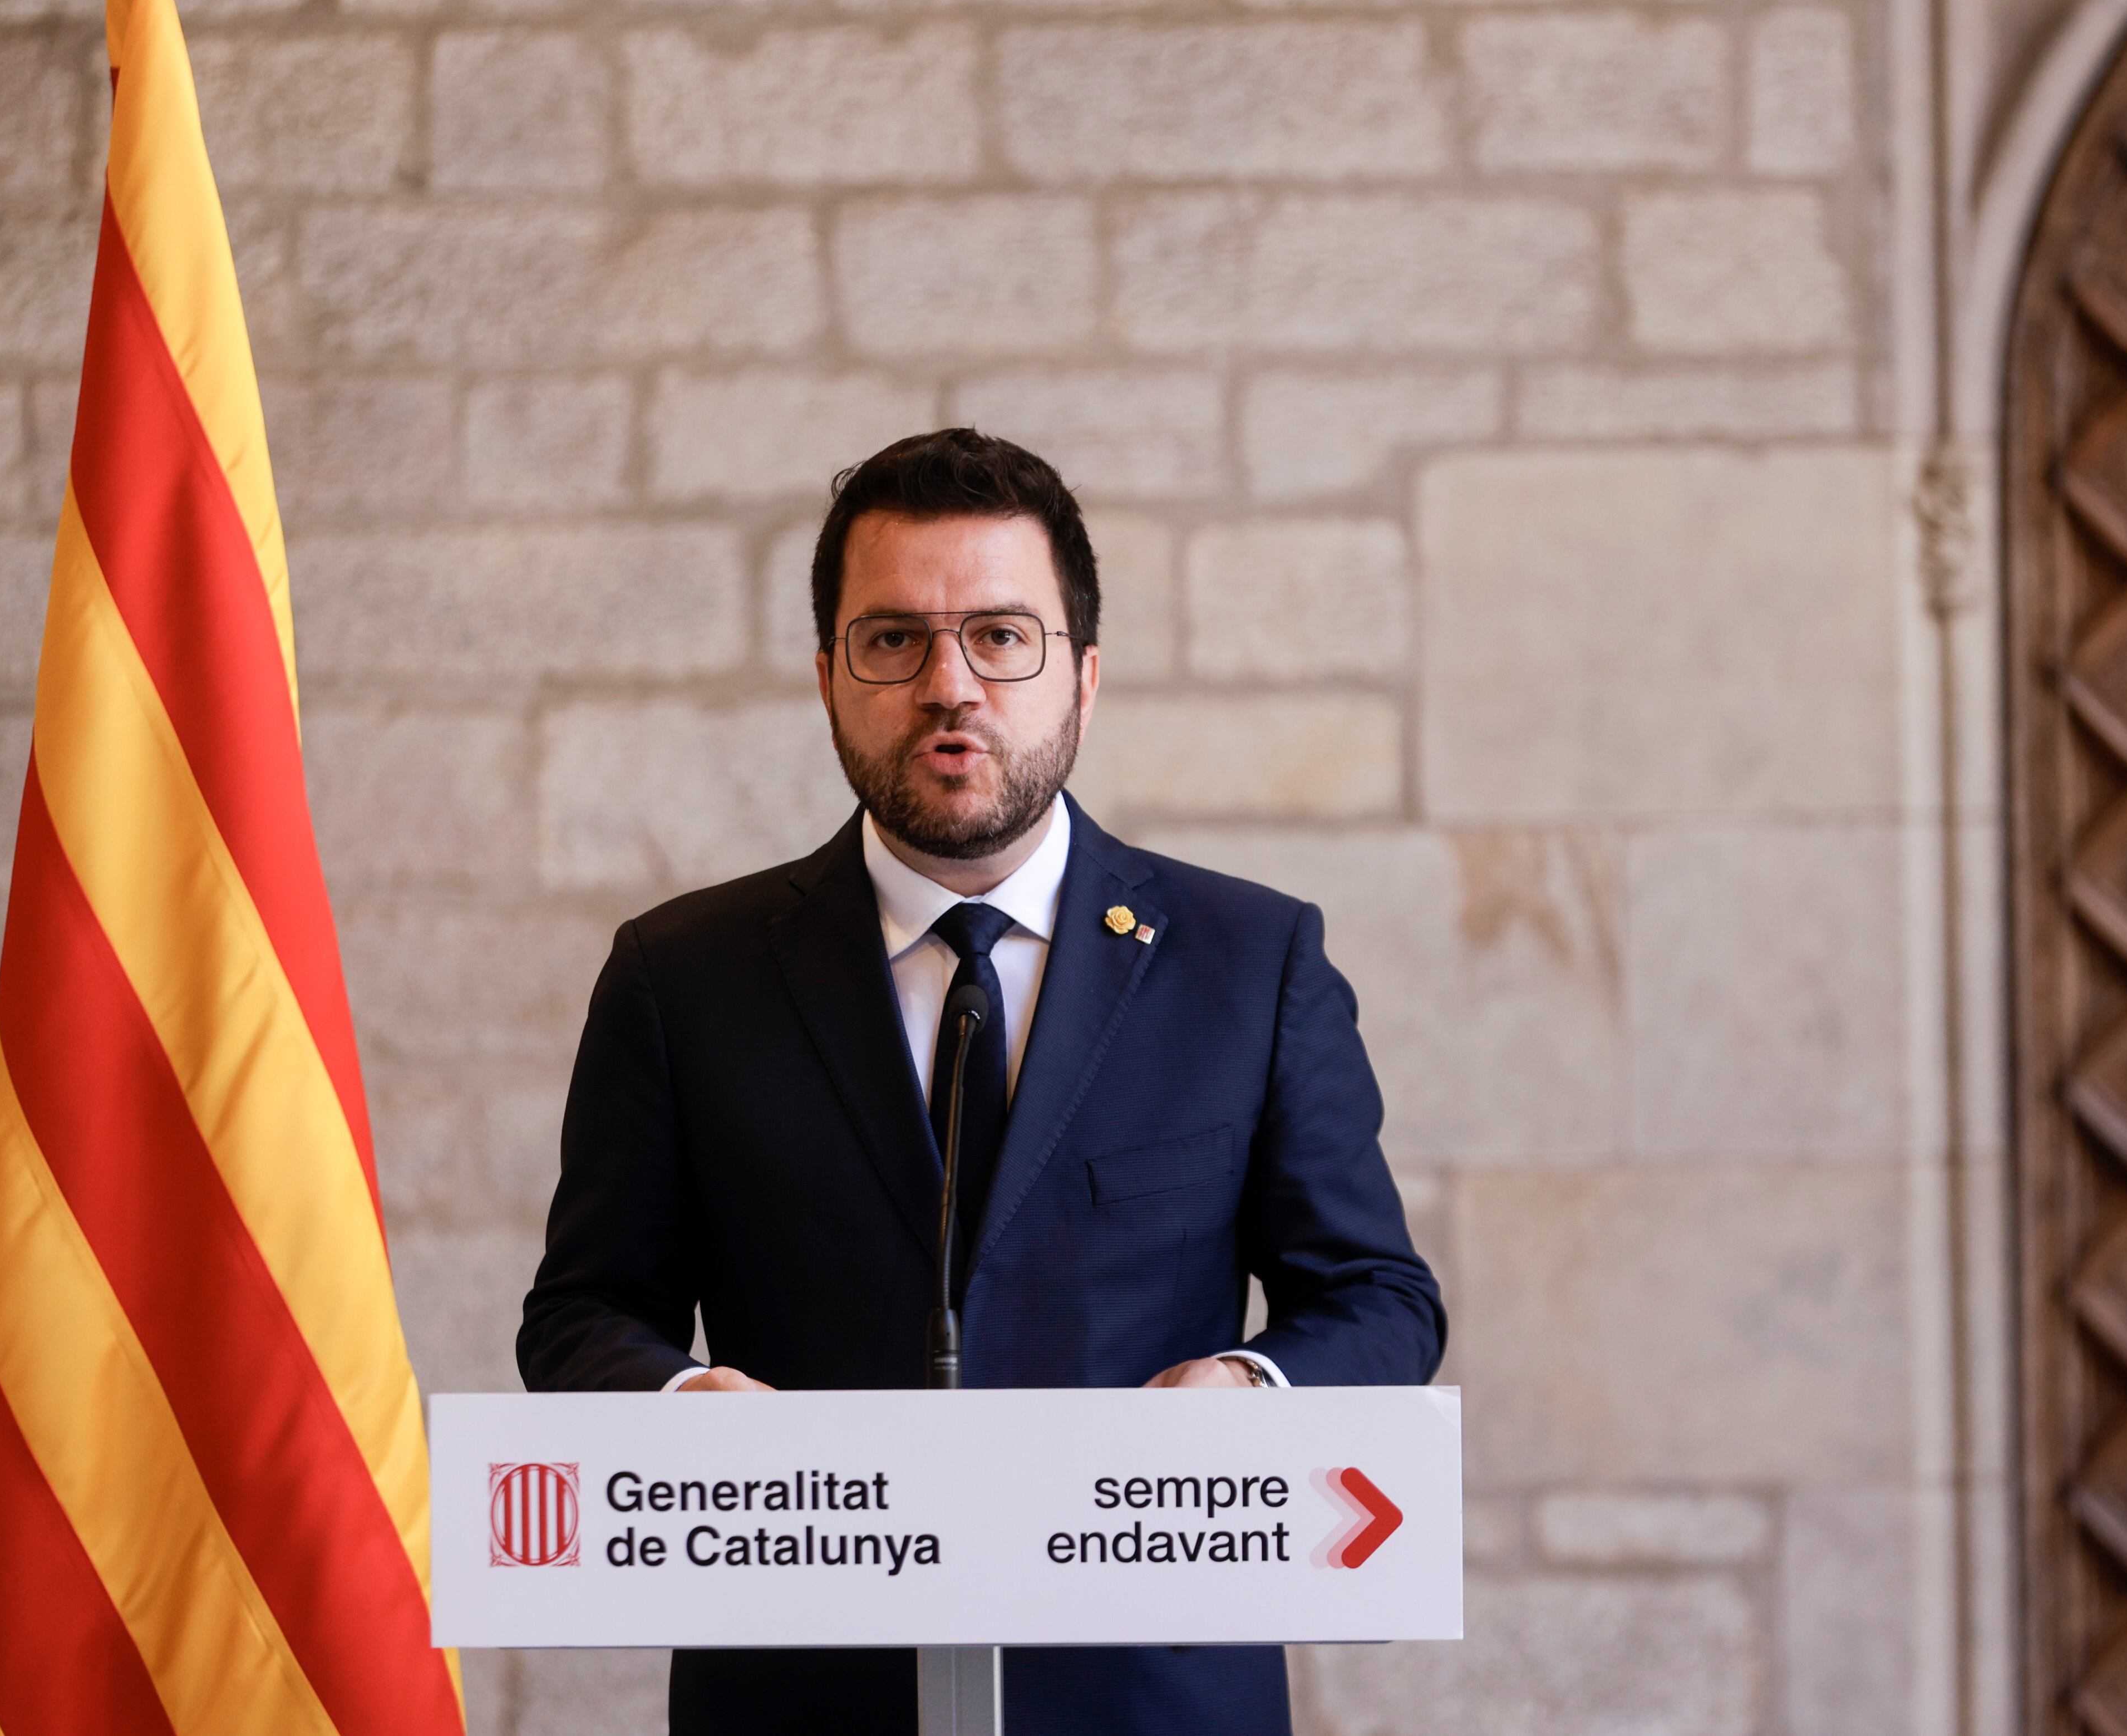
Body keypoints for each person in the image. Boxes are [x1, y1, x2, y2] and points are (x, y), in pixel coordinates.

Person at [517, 427, 1445, 1736]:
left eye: (1002, 635)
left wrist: (1250, 1389)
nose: (949, 683)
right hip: (803, 1692)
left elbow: (1377, 1299)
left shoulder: (1252, 960)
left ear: (1084, 674)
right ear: (828, 675)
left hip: (1152, 1691)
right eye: (892, 638)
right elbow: (583, 1311)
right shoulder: (683, 976)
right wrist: (676, 1403)